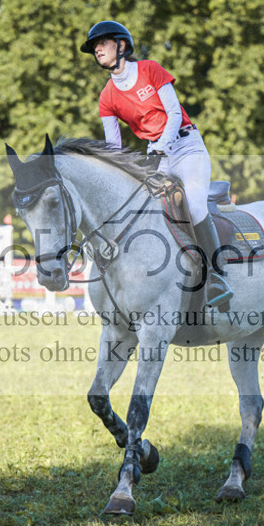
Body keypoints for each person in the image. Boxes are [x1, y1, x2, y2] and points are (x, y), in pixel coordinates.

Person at [80, 20, 233, 311]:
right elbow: (114, 147)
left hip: (186, 146)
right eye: (94, 47)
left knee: (196, 207)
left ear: (121, 46)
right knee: (141, 211)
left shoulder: (150, 69)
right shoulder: (106, 97)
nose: (97, 49)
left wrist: (160, 149)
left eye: (103, 43)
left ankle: (216, 277)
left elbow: (174, 115)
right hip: (155, 155)